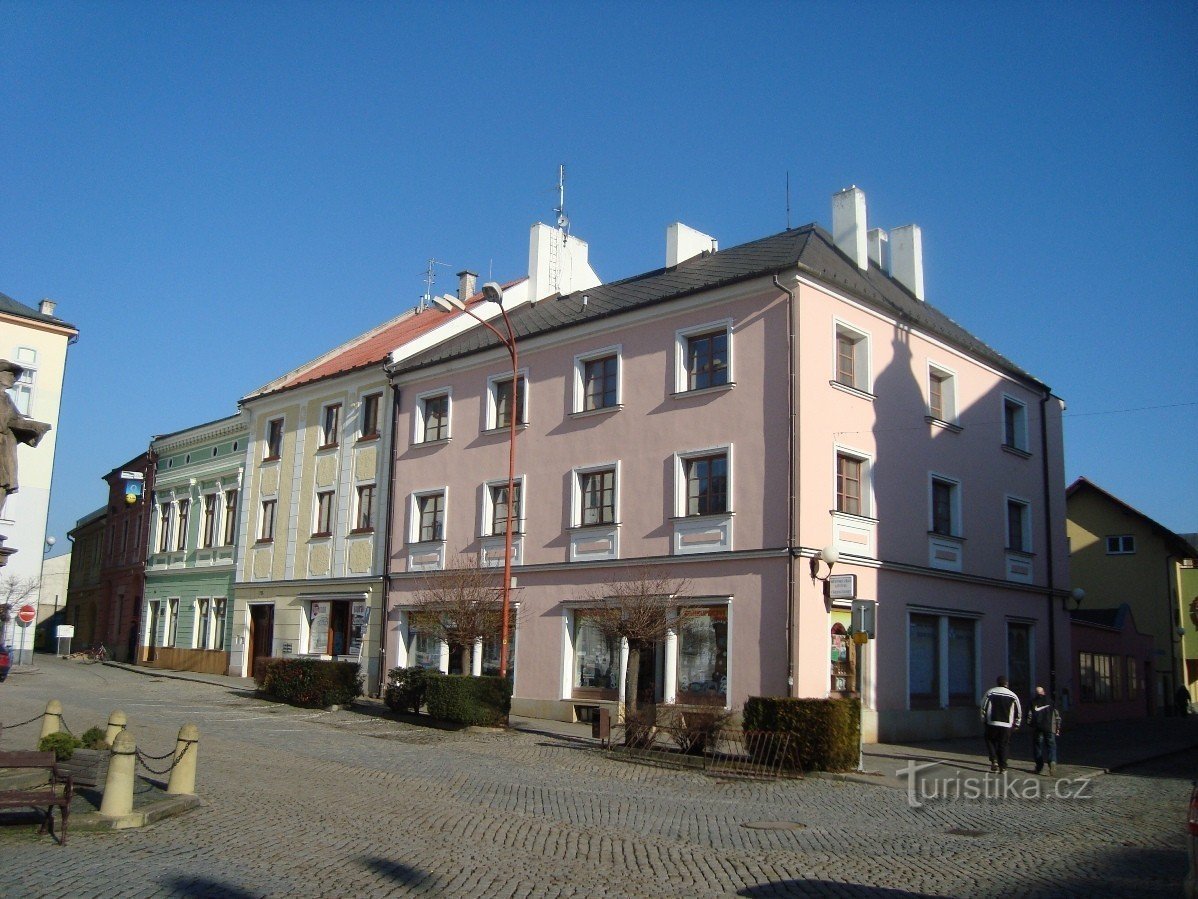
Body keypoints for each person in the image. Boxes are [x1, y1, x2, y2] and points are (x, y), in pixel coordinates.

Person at [0, 359, 51, 518]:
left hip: (6, 450)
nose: (12, 378)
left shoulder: (6, 399)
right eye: (8, 373)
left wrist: (35, 428)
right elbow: (6, 423)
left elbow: (14, 420)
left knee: (3, 488)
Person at [980, 675, 1022, 773]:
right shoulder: (1012, 695)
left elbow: (983, 707)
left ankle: (994, 759)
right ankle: (1003, 766)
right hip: (1006, 725)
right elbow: (1018, 711)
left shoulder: (990, 692)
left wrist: (983, 720)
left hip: (992, 722)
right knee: (1004, 744)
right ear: (1006, 683)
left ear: (997, 682)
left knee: (990, 740)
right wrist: (1017, 723)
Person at [1026, 685, 1061, 775]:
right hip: (1050, 727)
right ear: (1044, 692)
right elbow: (1057, 715)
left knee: (1038, 747)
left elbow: (1029, 716)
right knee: (1051, 746)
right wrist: (1058, 727)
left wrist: (1030, 725)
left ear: (1036, 694)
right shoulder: (1050, 701)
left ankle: (1039, 766)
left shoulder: (1032, 702)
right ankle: (1052, 762)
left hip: (1038, 728)